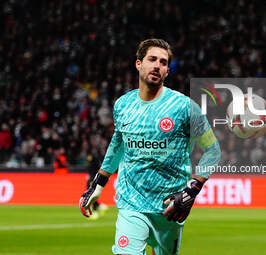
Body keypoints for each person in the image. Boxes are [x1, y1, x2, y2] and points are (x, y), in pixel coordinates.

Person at [79, 38, 221, 255]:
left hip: (170, 206)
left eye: (163, 62)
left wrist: (192, 190)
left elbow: (213, 150)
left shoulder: (184, 107)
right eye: (152, 59)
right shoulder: (123, 105)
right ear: (139, 64)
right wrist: (98, 184)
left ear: (167, 72)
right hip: (131, 202)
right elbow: (118, 143)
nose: (157, 65)